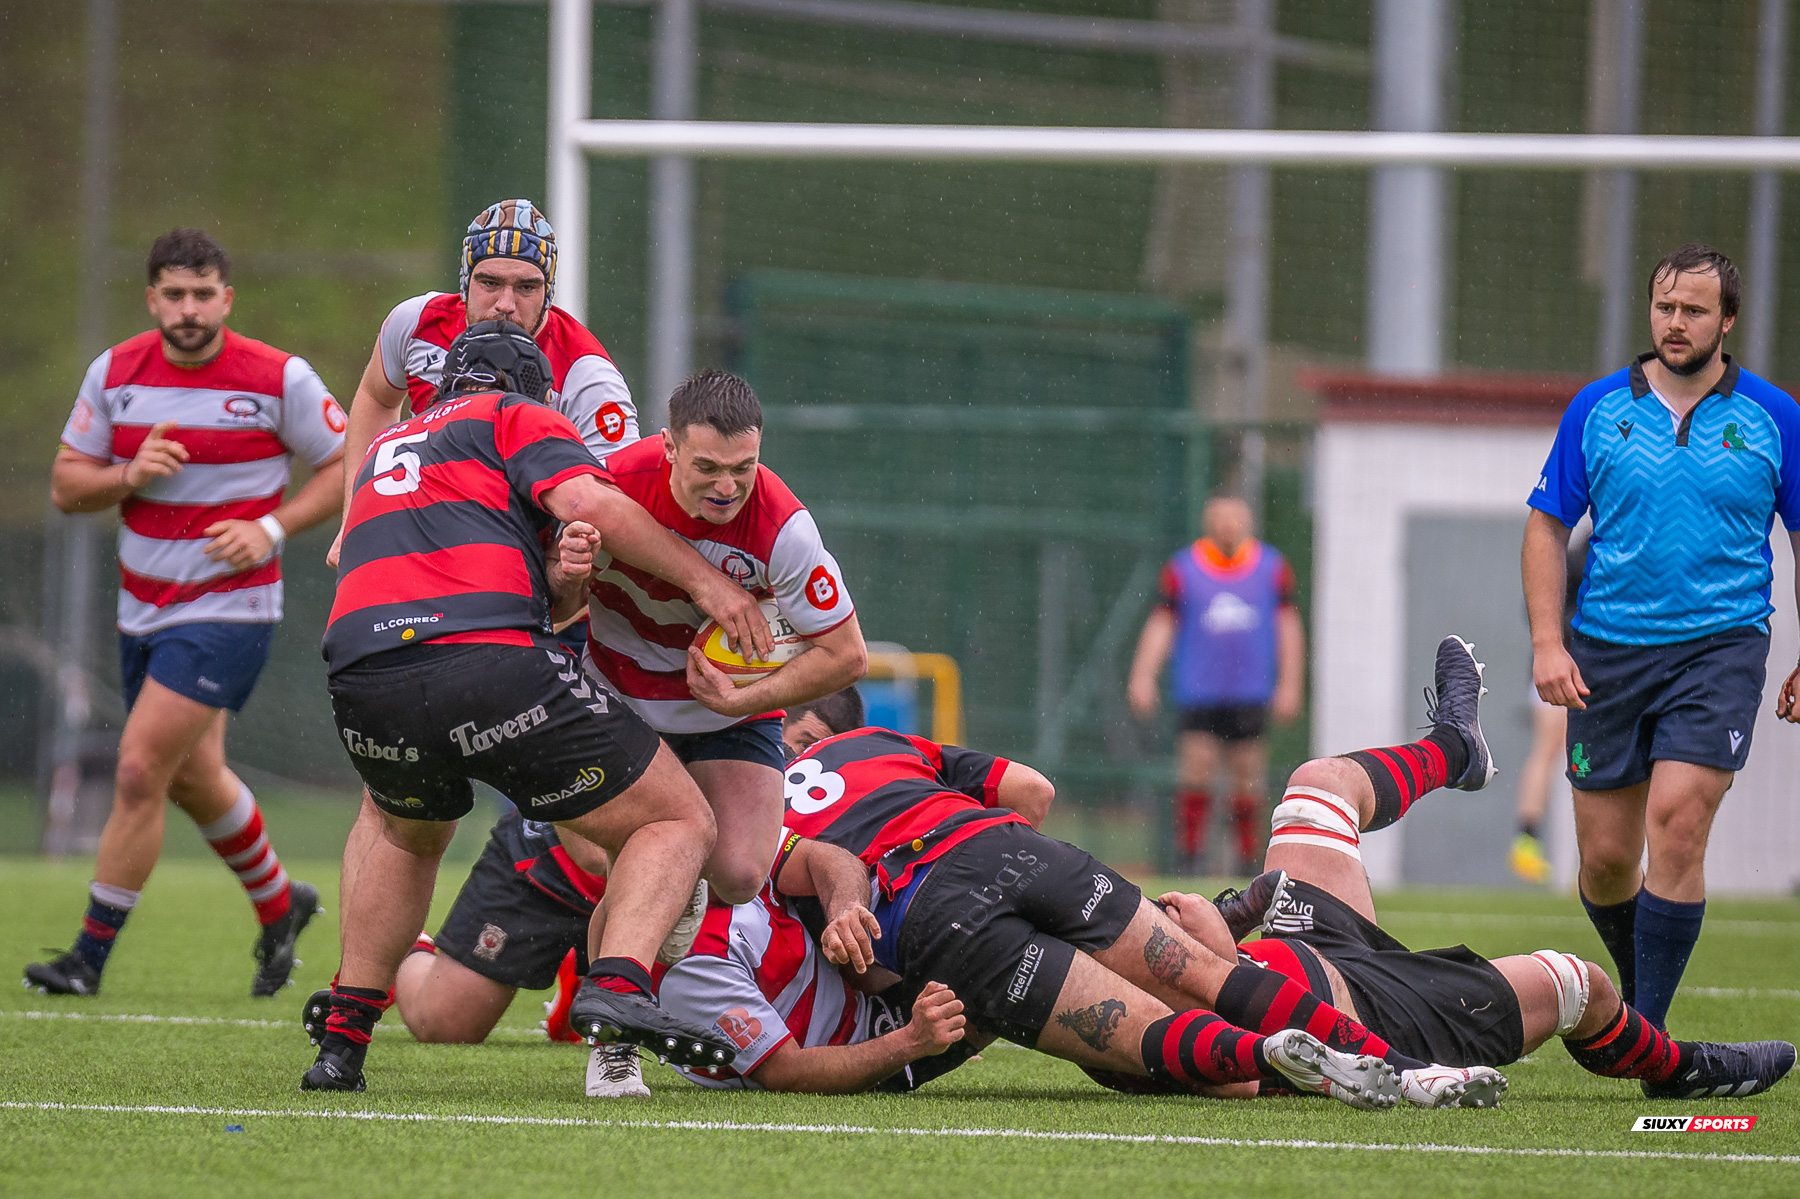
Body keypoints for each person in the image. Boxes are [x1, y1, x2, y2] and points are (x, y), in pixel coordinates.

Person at [303, 321, 772, 1092]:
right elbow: (595, 500)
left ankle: (343, 1040)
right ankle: (618, 989)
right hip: (483, 662)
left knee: (408, 834)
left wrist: (562, 575)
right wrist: (706, 583)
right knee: (678, 819)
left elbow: (502, 578)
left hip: (360, 674)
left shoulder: (391, 449)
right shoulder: (510, 415)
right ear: (539, 395)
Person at [775, 676, 1503, 1109]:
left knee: (1142, 1036)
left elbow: (838, 922)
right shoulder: (882, 744)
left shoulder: (758, 814)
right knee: (1211, 973)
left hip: (936, 911)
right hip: (1005, 845)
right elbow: (1032, 790)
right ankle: (1404, 1071)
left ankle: (1276, 1051)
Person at [1143, 636, 1794, 1102]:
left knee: (1317, 785)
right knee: (1578, 983)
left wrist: (1225, 924)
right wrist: (1221, 930)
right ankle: (1674, 1065)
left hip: (1293, 951)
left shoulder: (1058, 908)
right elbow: (1214, 1048)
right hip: (1365, 1014)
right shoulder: (1066, 966)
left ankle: (1455, 745)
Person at [26, 229, 345, 999]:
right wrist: (129, 472)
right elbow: (67, 487)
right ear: (152, 299)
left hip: (230, 611)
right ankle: (282, 904)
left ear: (227, 298)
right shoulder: (117, 372)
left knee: (138, 767)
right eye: (175, 294)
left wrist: (269, 529)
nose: (190, 309)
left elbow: (347, 465)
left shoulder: (278, 378)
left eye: (204, 294)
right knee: (195, 777)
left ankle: (87, 959)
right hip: (142, 610)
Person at [326, 198, 638, 979]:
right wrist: (353, 511)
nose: (506, 301)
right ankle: (354, 991)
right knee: (394, 813)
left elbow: (614, 518)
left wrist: (566, 584)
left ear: (551, 293)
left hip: (540, 606)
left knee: (600, 837)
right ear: (462, 281)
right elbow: (372, 395)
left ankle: (596, 969)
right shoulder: (414, 325)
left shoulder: (588, 379)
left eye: (527, 286)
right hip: (430, 602)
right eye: (491, 281)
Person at [298, 689, 873, 1099]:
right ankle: (405, 944)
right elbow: (594, 852)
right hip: (552, 861)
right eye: (800, 742)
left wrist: (857, 918)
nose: (798, 765)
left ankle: (609, 1026)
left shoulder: (755, 782)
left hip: (643, 908)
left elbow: (821, 860)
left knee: (711, 883)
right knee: (445, 1024)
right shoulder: (651, 681)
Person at [1525, 243, 1800, 1030]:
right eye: (1665, 307)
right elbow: (1546, 528)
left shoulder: (1776, 417)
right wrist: (1549, 643)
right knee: (1608, 860)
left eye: (1695, 310)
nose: (1676, 323)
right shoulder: (1599, 408)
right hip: (1607, 649)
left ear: (1729, 321)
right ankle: (1639, 990)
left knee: (1678, 820)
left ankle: (1645, 1029)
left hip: (1722, 647)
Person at [582, 369, 868, 907]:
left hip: (727, 713)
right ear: (668, 447)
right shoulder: (609, 484)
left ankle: (677, 886)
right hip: (617, 691)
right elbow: (549, 595)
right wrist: (567, 575)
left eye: (744, 468)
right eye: (707, 467)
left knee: (739, 876)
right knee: (610, 856)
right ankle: (619, 983)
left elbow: (848, 657)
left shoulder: (784, 530)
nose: (727, 488)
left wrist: (743, 698)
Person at [1127, 494, 1304, 875]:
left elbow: (1287, 626)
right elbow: (1163, 622)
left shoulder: (1271, 568)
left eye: (1235, 517)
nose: (1227, 525)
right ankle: (1190, 858)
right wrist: (1143, 675)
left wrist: (1290, 683)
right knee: (1196, 768)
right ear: (1208, 522)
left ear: (1248, 522)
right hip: (1199, 690)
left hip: (1249, 692)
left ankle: (1247, 862)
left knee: (1247, 775)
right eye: (1220, 518)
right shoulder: (1184, 568)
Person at [1509, 533, 1587, 884]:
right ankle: (1530, 842)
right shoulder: (1585, 559)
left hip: (1556, 669)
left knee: (1558, 756)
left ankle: (1530, 842)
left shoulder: (1572, 557)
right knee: (1571, 758)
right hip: (1566, 671)